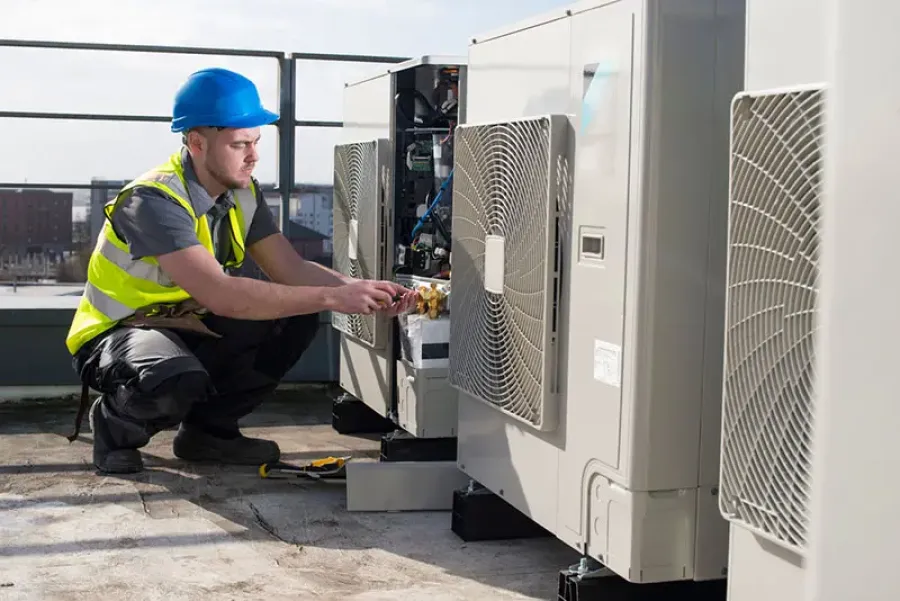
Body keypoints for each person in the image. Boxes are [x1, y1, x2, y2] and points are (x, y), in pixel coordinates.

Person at [65, 68, 416, 475]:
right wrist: (335, 297)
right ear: (196, 143)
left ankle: (209, 432)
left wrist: (362, 289)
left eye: (256, 142)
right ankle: (115, 426)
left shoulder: (242, 192)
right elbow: (222, 294)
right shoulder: (153, 201)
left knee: (294, 316)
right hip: (121, 333)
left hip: (187, 325)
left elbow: (291, 268)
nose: (254, 155)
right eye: (240, 144)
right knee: (173, 379)